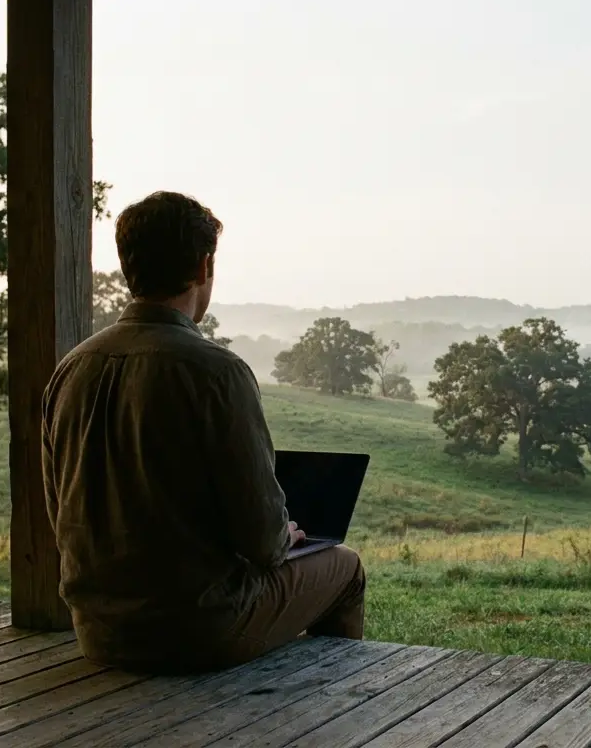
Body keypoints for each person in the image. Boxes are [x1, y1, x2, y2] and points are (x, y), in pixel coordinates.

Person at [41, 191, 365, 673]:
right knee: (346, 566)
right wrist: (287, 535)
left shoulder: (70, 369)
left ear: (130, 265)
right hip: (199, 631)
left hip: (98, 630)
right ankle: (315, 708)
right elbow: (262, 540)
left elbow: (57, 509)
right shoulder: (217, 372)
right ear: (203, 266)